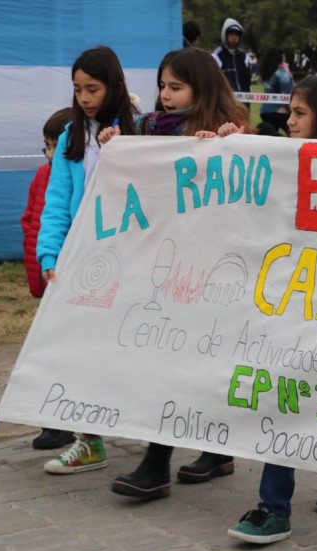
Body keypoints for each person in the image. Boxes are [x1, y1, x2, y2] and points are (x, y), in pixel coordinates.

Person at [212, 77, 317, 545]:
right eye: (289, 112)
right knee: (283, 396)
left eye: (299, 113)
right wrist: (219, 146)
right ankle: (273, 507)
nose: (289, 121)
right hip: (292, 305)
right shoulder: (281, 159)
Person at [97, 48, 250, 498]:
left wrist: (228, 145)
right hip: (162, 262)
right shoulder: (146, 129)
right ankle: (197, 454)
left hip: (207, 265)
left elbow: (250, 182)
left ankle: (159, 463)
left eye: (175, 87)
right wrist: (115, 145)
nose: (164, 95)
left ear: (200, 89)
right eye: (162, 85)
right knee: (168, 357)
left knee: (192, 359)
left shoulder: (228, 129)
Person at [36, 46, 137, 474]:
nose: (83, 98)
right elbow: (57, 202)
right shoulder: (69, 141)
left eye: (92, 88)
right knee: (80, 349)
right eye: (77, 89)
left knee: (136, 349)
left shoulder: (142, 133)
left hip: (134, 258)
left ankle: (164, 442)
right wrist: (48, 253)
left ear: (114, 86)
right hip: (84, 260)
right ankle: (88, 440)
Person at [22, 107, 76, 452]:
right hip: (50, 276)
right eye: (47, 146)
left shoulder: (77, 174)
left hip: (76, 276)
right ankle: (53, 423)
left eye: (57, 145)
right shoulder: (43, 176)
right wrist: (42, 266)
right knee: (49, 352)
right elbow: (33, 222)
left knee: (71, 353)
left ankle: (70, 421)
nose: (51, 153)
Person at [258, 47, 293, 135]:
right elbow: (287, 93)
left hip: (265, 111)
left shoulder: (268, 72)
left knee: (271, 138)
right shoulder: (282, 73)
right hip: (279, 111)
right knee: (293, 136)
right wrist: (288, 108)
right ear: (280, 57)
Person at [212, 18, 251, 97]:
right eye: (231, 33)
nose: (234, 37)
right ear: (224, 34)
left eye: (237, 34)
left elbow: (248, 83)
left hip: (243, 102)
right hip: (225, 102)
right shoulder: (216, 56)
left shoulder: (244, 57)